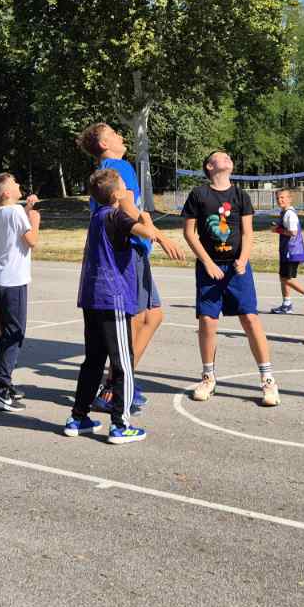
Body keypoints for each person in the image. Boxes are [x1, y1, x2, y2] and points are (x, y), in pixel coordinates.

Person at [65, 168, 182, 443]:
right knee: (123, 363)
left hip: (93, 297)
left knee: (93, 360)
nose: (128, 190)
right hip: (112, 297)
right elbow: (146, 232)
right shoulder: (116, 215)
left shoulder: (97, 216)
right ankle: (120, 424)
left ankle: (78, 417)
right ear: (118, 194)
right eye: (124, 187)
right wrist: (145, 216)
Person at [76, 122, 165, 414]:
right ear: (104, 144)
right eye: (114, 134)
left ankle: (121, 381)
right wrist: (159, 235)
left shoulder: (104, 171)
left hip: (126, 251)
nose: (121, 136)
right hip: (128, 252)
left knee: (152, 315)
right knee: (137, 319)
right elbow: (127, 207)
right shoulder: (118, 167)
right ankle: (115, 388)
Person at [181, 151, 279, 406]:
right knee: (207, 320)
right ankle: (208, 377)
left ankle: (268, 380)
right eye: (220, 156)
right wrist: (207, 262)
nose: (226, 158)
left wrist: (243, 259)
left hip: (237, 267)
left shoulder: (240, 195)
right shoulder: (198, 194)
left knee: (250, 318)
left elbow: (247, 233)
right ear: (209, 166)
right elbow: (189, 233)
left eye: (228, 157)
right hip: (209, 268)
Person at [0, 174, 40, 412]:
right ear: (6, 193)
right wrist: (35, 219)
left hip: (1, 279)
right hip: (13, 281)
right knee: (15, 335)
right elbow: (31, 241)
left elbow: (17, 230)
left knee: (8, 334)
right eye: (15, 183)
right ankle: (0, 389)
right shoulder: (15, 212)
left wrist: (27, 210)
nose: (19, 185)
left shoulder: (2, 213)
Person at [268, 188, 304, 318]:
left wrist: (277, 230)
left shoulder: (290, 214)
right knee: (283, 277)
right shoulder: (284, 212)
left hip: (291, 251)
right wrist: (278, 227)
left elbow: (293, 232)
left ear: (290, 199)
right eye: (278, 198)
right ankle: (287, 304)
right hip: (286, 250)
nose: (280, 200)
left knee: (287, 279)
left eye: (282, 197)